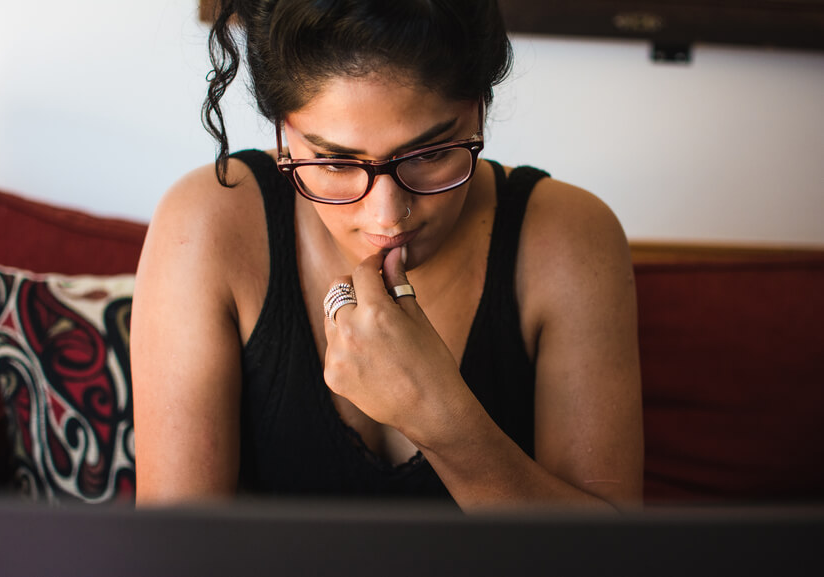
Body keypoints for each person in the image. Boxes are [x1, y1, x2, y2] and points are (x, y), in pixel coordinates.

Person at [131, 0, 643, 512]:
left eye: (431, 154)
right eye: (334, 162)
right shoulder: (206, 226)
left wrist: (440, 418)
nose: (388, 217)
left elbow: (612, 560)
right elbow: (174, 554)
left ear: (480, 109)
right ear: (283, 133)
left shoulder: (569, 238)